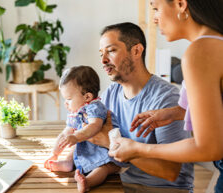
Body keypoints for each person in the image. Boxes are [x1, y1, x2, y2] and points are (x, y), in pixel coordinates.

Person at [107, 0, 223, 192]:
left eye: (156, 8)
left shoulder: (200, 52)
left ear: (180, 4)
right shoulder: (215, 43)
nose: (154, 19)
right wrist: (174, 113)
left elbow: (209, 147)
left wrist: (138, 149)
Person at [87, 22, 194, 192]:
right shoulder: (111, 94)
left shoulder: (166, 98)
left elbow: (170, 172)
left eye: (111, 51)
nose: (103, 60)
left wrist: (111, 143)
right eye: (101, 53)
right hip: (122, 184)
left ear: (136, 51)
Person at [44, 66, 125, 193]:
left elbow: (94, 126)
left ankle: (88, 182)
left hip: (106, 152)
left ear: (87, 97)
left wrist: (76, 137)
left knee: (104, 169)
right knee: (74, 149)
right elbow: (66, 132)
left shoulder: (95, 107)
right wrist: (55, 153)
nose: (66, 103)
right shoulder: (77, 112)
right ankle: (67, 163)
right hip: (87, 148)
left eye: (69, 99)